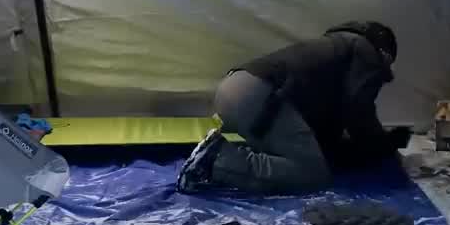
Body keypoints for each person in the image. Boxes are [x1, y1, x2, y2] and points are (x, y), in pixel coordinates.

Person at [176, 21, 412, 195]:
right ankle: (218, 159)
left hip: (234, 90)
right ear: (383, 52)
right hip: (259, 97)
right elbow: (358, 111)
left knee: (296, 158)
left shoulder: (336, 48)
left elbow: (327, 131)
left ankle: (221, 152)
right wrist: (383, 145)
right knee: (312, 174)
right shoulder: (366, 52)